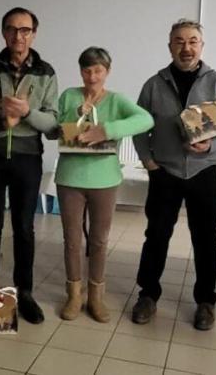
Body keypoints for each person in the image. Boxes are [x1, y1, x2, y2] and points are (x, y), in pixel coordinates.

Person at [132, 19, 216, 331]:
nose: (186, 47)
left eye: (193, 41)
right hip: (164, 172)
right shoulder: (154, 84)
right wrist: (148, 161)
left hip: (205, 172)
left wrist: (211, 146)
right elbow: (140, 126)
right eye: (179, 41)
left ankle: (206, 301)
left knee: (206, 238)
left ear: (201, 46)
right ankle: (148, 295)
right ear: (170, 46)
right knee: (156, 236)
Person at [0, 7, 58, 324]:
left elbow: (53, 125)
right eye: (12, 29)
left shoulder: (46, 72)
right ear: (3, 33)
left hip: (28, 158)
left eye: (25, 30)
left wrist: (27, 112)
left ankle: (25, 293)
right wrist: (2, 118)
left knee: (24, 229)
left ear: (34, 33)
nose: (19, 36)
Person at [55, 47, 153, 322]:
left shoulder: (117, 101)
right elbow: (57, 129)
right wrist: (76, 114)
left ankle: (96, 296)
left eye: (98, 70)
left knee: (98, 240)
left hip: (105, 180)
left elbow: (146, 119)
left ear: (107, 72)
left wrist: (108, 130)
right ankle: (74, 294)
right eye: (87, 70)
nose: (92, 76)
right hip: (70, 179)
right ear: (80, 72)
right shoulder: (69, 96)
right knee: (72, 240)